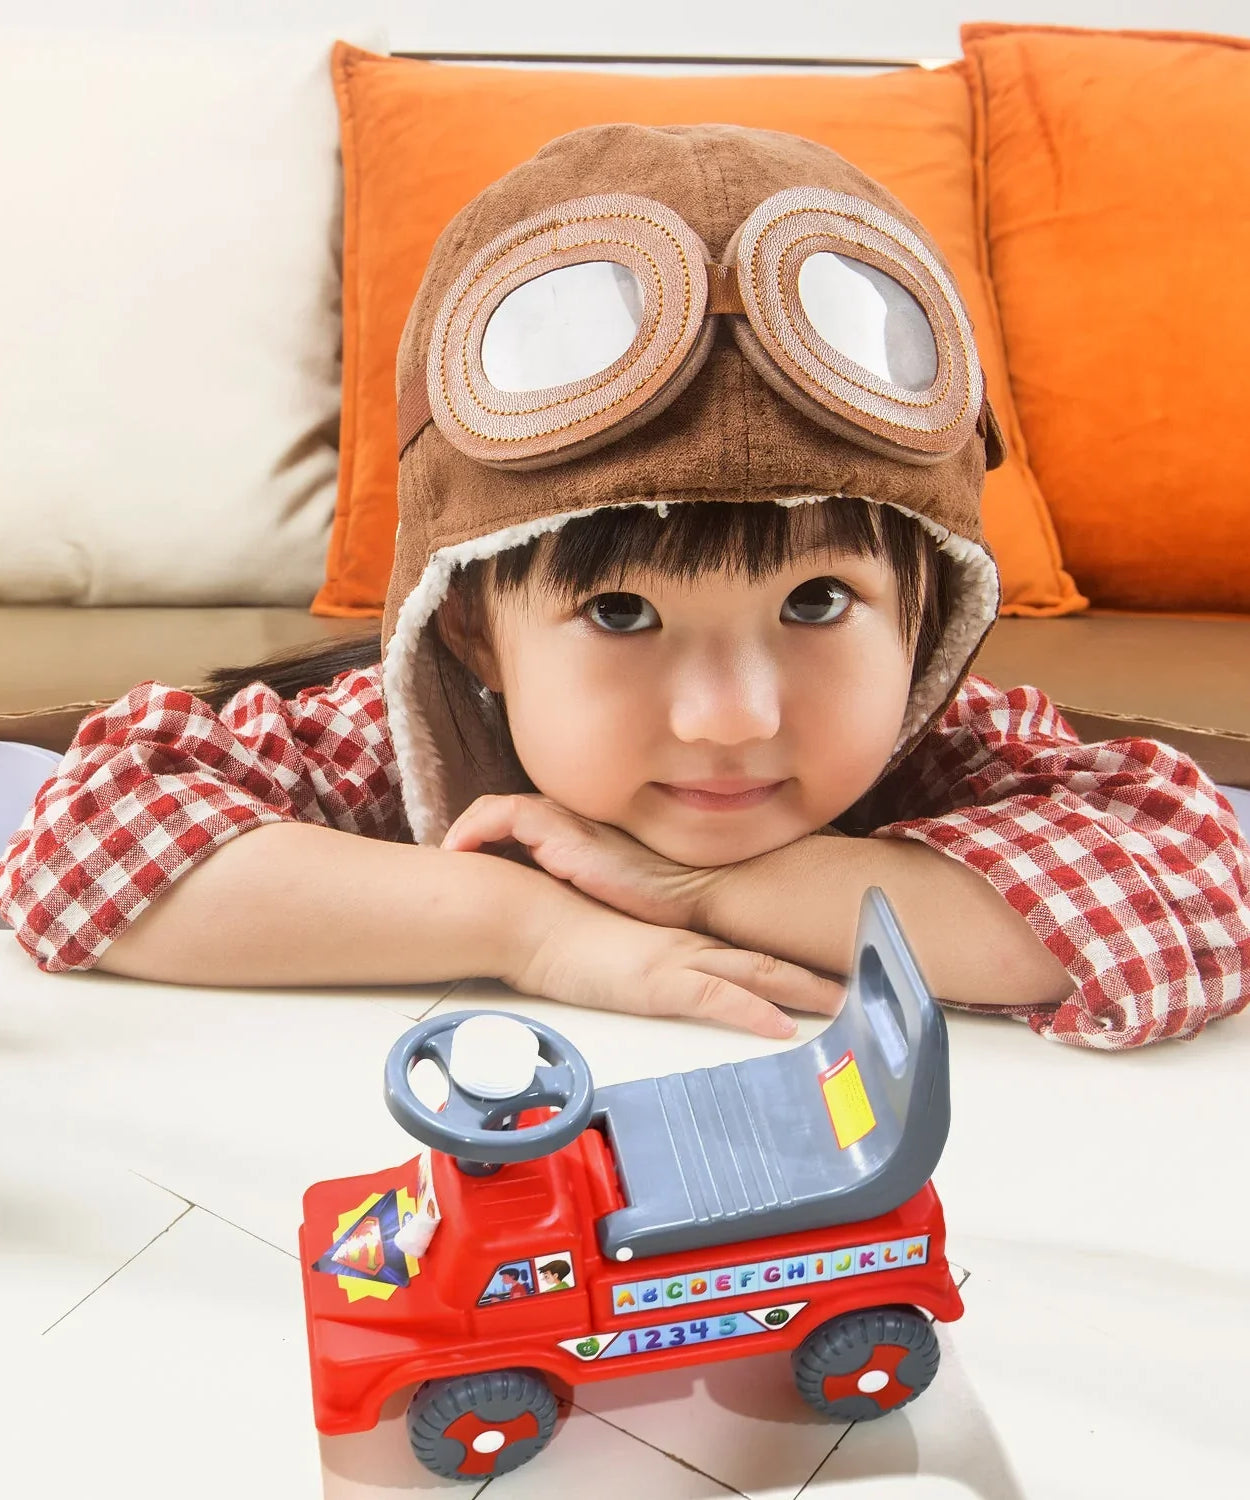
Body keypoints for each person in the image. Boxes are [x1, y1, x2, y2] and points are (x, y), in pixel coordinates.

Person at [1, 124, 1246, 1053]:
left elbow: (1186, 905)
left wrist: (703, 889)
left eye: (815, 604)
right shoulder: (401, 750)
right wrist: (527, 927)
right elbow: (80, 857)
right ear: (477, 631)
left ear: (927, 614)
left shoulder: (946, 759)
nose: (730, 717)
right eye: (619, 613)